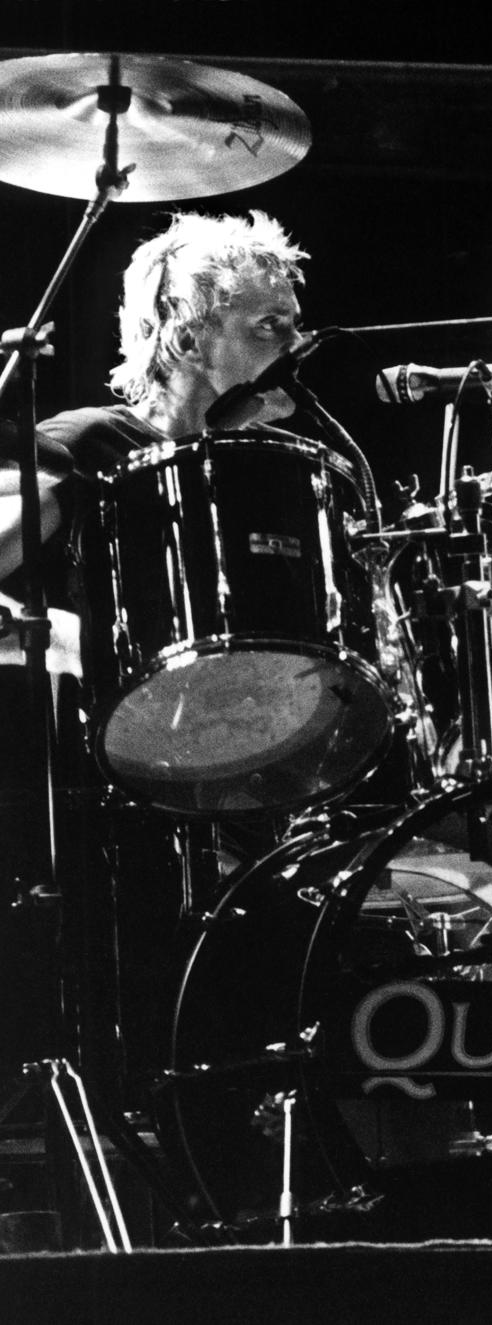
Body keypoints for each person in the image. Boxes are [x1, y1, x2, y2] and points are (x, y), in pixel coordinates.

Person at [0, 211, 308, 891]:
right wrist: (51, 636)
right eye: (270, 326)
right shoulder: (90, 447)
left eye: (295, 323)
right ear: (190, 337)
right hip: (114, 829)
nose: (298, 343)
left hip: (261, 809)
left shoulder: (281, 469)